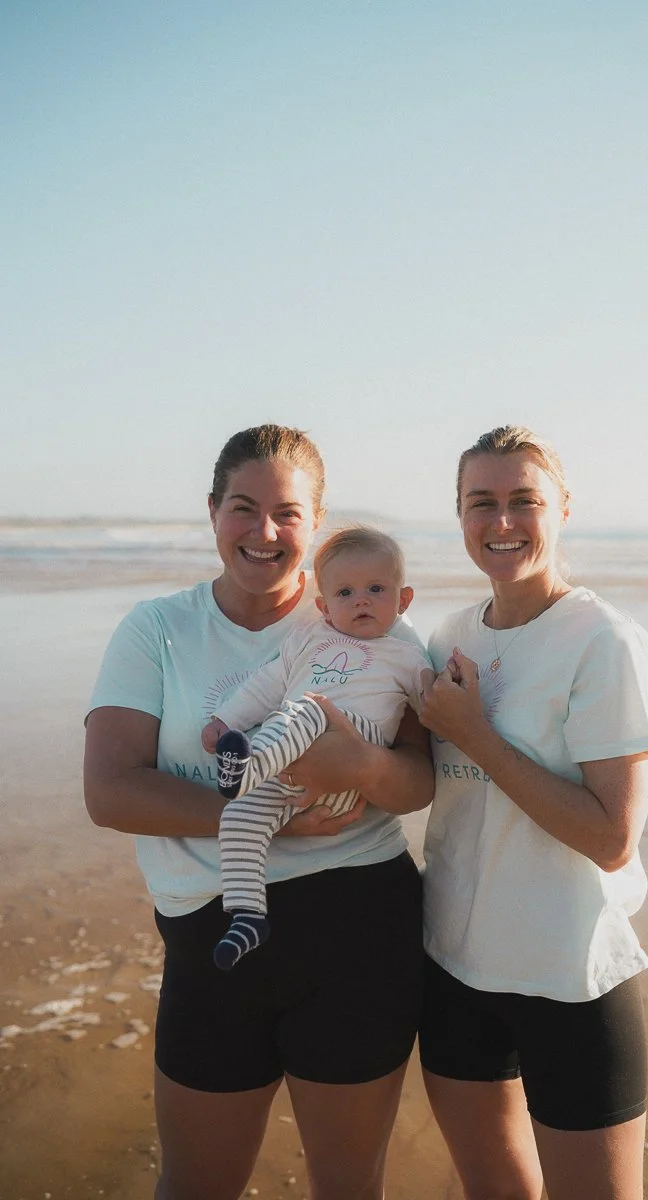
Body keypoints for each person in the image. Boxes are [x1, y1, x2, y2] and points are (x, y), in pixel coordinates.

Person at [83, 424, 433, 1200]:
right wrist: (260, 814)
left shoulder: (369, 621)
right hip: (213, 932)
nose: (264, 532)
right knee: (195, 1186)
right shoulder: (157, 630)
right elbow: (109, 791)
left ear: (316, 525)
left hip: (359, 926)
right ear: (212, 512)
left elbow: (419, 784)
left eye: (287, 513)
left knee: (347, 1187)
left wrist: (366, 766)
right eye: (243, 508)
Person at [417, 425, 648, 1200]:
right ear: (457, 515)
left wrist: (477, 736)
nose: (500, 522)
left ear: (562, 508)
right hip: (453, 965)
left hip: (569, 974)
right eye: (479, 502)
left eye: (524, 500)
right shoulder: (448, 636)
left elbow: (611, 838)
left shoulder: (602, 642)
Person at [200, 525, 433, 970]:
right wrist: (224, 721)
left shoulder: (406, 656)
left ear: (403, 602)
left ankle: (244, 771)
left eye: (376, 589)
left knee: (308, 708)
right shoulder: (308, 640)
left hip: (355, 758)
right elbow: (266, 685)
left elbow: (432, 705)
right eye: (345, 592)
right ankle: (248, 914)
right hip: (290, 771)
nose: (361, 600)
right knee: (239, 817)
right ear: (324, 608)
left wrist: (449, 692)